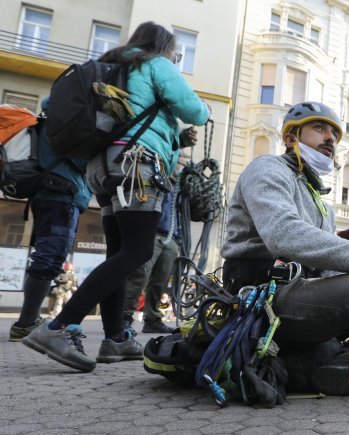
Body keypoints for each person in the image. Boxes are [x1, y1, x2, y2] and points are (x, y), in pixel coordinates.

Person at [23, 22, 211, 372]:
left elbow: (52, 104)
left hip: (102, 168)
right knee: (138, 250)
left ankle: (116, 338)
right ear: (165, 47)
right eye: (177, 53)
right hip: (137, 167)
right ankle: (59, 326)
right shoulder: (156, 64)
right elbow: (194, 110)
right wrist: (205, 111)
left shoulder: (112, 68)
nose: (176, 58)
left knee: (119, 252)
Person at [221, 101, 349, 398]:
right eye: (319, 128)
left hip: (303, 291)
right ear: (291, 139)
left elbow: (329, 268)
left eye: (334, 134)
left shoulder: (321, 203)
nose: (330, 138)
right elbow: (282, 232)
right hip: (263, 295)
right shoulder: (266, 168)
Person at [8, 108, 91, 342]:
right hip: (60, 198)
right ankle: (25, 323)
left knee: (48, 257)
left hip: (50, 195)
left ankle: (28, 320)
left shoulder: (51, 120)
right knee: (49, 257)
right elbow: (83, 161)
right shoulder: (66, 122)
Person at [122, 152, 193, 334]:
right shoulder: (158, 178)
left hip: (171, 237)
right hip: (153, 232)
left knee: (161, 280)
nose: (182, 168)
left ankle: (152, 318)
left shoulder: (182, 188)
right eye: (180, 164)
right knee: (140, 275)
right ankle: (124, 315)